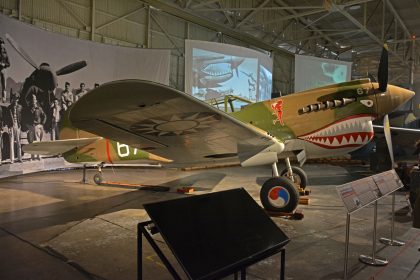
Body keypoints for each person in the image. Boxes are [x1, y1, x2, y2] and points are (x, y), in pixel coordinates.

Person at [29, 95, 46, 160]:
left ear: (36, 100)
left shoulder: (39, 108)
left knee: (38, 142)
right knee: (31, 142)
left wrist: (42, 124)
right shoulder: (29, 108)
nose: (33, 100)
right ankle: (32, 156)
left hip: (37, 126)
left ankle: (38, 156)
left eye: (34, 99)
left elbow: (44, 116)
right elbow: (27, 117)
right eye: (32, 99)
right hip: (31, 126)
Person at [7, 93, 22, 163]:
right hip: (11, 126)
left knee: (19, 142)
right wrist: (8, 127)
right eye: (15, 98)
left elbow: (22, 117)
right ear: (13, 99)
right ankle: (12, 159)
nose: (16, 100)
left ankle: (19, 158)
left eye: (17, 98)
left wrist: (20, 125)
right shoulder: (9, 107)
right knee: (11, 142)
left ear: (18, 99)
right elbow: (6, 118)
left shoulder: (20, 107)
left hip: (18, 126)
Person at [0, 37, 10, 103]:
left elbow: (9, 63)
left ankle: (4, 99)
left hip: (3, 69)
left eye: (2, 43)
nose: (1, 44)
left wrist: (4, 64)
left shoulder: (5, 53)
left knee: (4, 85)